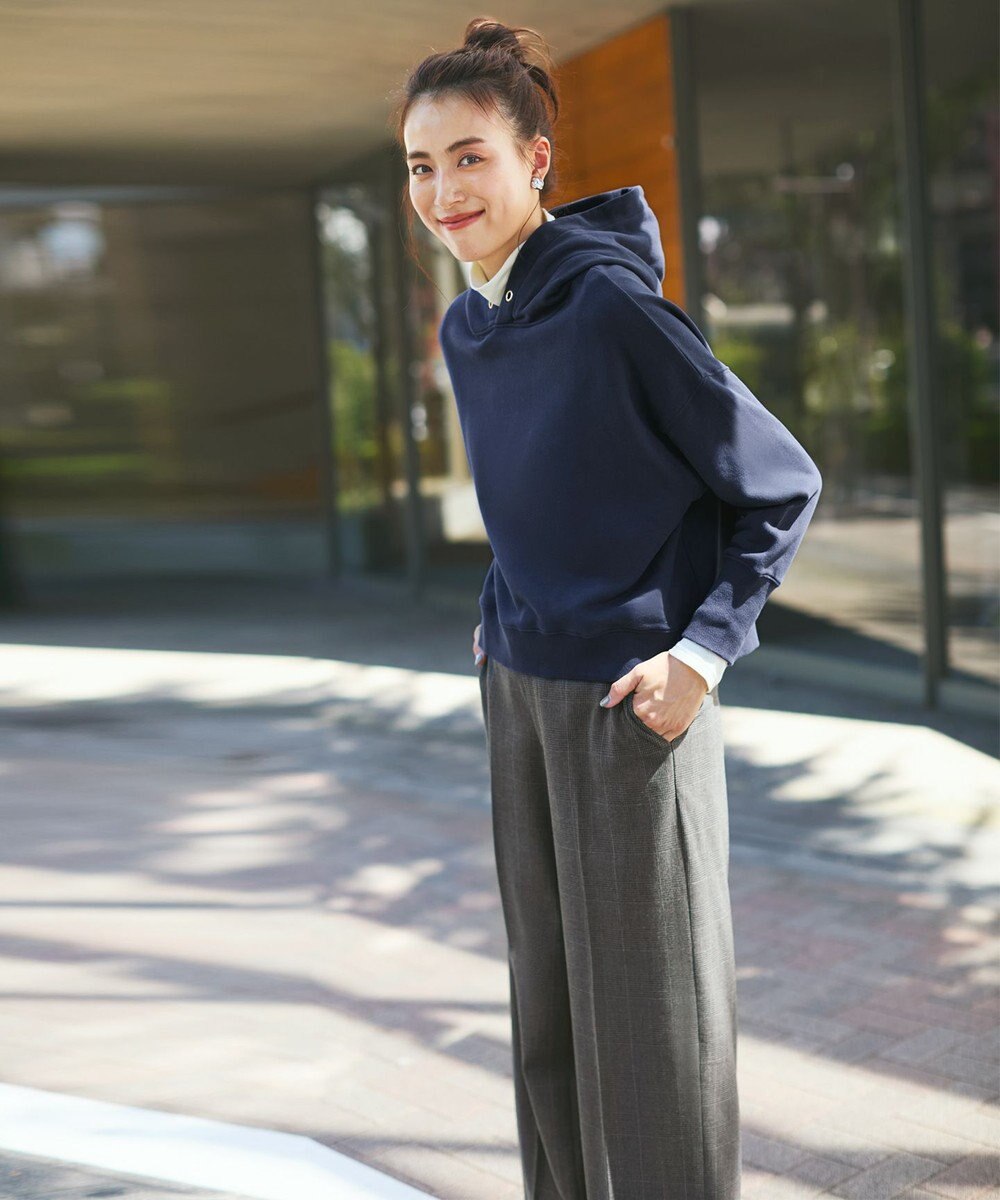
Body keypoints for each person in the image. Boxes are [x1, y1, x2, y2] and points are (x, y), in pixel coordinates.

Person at [392, 17, 822, 1200]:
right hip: (520, 688)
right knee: (550, 1007)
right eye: (421, 165)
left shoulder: (612, 312)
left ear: (535, 161)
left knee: (650, 1023)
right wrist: (503, 610)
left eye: (469, 157)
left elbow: (779, 484)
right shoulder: (468, 323)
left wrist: (703, 655)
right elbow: (535, 494)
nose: (443, 190)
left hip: (633, 704)